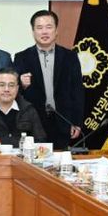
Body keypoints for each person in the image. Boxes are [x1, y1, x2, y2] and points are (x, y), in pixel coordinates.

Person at [13, 10, 84, 150]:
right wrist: (21, 84)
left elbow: (77, 92)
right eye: (39, 28)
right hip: (33, 124)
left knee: (60, 160)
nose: (44, 32)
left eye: (49, 27)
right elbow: (14, 93)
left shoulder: (70, 57)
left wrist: (76, 122)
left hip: (62, 122)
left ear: (56, 30)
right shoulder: (22, 57)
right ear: (33, 31)